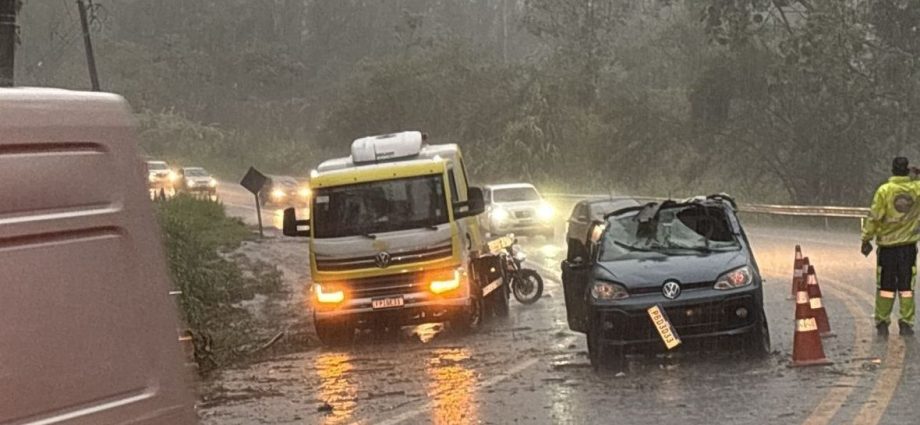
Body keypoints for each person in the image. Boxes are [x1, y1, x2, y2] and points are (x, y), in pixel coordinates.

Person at [861, 157, 920, 336]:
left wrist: (866, 238)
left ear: (893, 170)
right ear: (907, 170)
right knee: (906, 287)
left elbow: (875, 216)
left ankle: (882, 321)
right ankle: (906, 321)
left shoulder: (884, 191)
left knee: (885, 285)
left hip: (887, 248)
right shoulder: (916, 189)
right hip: (908, 247)